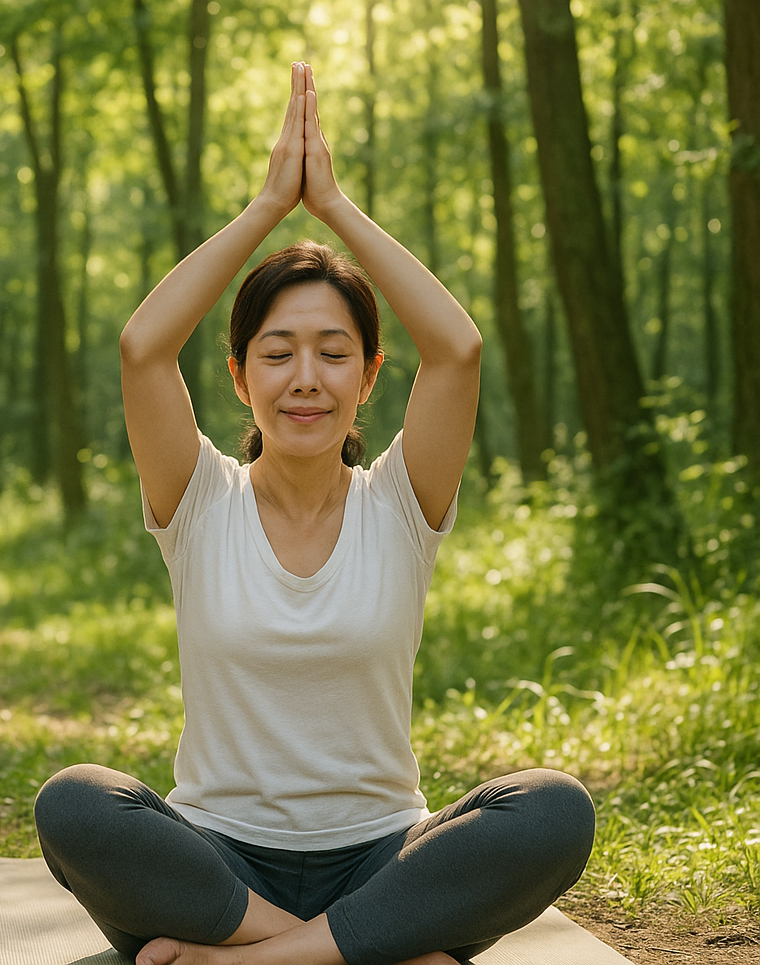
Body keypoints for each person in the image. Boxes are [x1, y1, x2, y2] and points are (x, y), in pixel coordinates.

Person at [32, 63, 595, 965]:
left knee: (555, 808)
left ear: (370, 376)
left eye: (334, 354)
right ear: (239, 376)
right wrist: (266, 208)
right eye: (277, 352)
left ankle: (250, 961)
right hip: (217, 864)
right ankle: (349, 951)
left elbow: (456, 349)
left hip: (380, 860)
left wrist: (331, 207)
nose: (305, 378)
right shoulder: (199, 499)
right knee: (73, 802)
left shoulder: (402, 505)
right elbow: (143, 348)